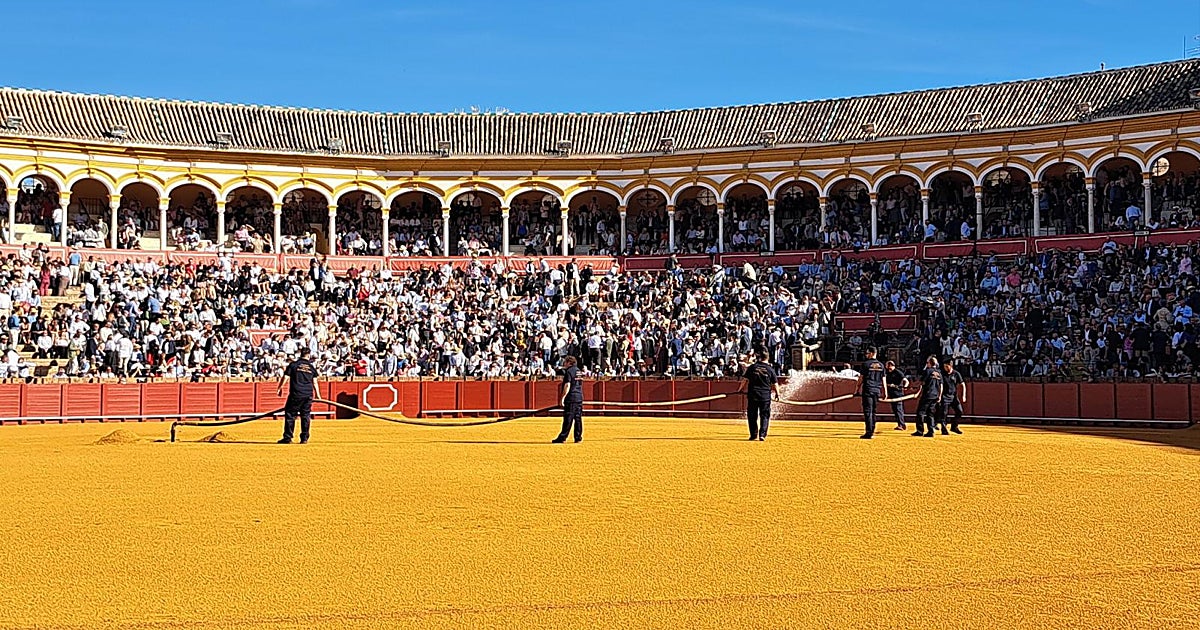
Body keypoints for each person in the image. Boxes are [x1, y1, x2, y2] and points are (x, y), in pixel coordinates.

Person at [276, 347, 318, 444]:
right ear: (309, 355)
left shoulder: (294, 365)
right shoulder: (311, 368)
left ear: (300, 354)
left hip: (296, 394)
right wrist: (318, 396)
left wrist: (279, 388)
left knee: (290, 415)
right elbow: (315, 383)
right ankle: (304, 438)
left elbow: (285, 377)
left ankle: (288, 437)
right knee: (305, 416)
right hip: (308, 394)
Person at [741, 350, 778, 441]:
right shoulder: (770, 369)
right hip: (765, 396)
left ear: (759, 357)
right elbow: (775, 384)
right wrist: (778, 394)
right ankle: (762, 435)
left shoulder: (752, 367)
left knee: (752, 415)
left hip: (753, 394)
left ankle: (753, 435)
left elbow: (744, 380)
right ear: (767, 358)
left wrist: (740, 390)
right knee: (764, 416)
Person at [553, 355, 584, 443]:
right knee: (578, 418)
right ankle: (578, 437)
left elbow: (567, 385)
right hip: (579, 397)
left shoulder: (569, 372)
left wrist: (562, 398)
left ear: (569, 362)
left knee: (568, 418)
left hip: (571, 397)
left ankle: (563, 437)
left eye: (565, 362)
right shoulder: (579, 371)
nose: (564, 364)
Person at [856, 347, 885, 439]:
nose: (866, 355)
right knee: (874, 411)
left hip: (868, 389)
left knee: (868, 411)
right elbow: (883, 379)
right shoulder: (881, 365)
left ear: (872, 353)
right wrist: (885, 392)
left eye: (867, 353)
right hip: (877, 390)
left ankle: (869, 432)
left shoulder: (866, 364)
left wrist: (856, 389)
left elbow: (861, 378)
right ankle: (872, 430)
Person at [914, 355, 943, 438]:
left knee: (921, 412)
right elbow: (941, 385)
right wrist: (939, 396)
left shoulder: (927, 371)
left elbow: (922, 382)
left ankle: (920, 431)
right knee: (930, 413)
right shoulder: (939, 373)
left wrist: (918, 391)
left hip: (927, 394)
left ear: (929, 363)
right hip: (935, 395)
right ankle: (931, 431)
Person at [940, 359, 966, 435]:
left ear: (951, 366)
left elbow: (963, 384)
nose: (945, 368)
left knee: (959, 411)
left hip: (953, 396)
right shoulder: (942, 374)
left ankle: (954, 426)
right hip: (944, 396)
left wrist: (963, 395)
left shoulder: (956, 374)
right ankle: (944, 428)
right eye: (944, 366)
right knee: (944, 414)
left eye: (946, 366)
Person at [884, 360, 909, 431]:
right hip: (892, 393)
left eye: (889, 366)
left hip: (898, 393)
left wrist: (905, 386)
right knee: (895, 410)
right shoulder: (887, 373)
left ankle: (902, 424)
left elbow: (906, 380)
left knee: (898, 409)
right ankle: (900, 424)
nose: (888, 368)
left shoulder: (898, 372)